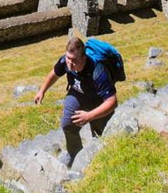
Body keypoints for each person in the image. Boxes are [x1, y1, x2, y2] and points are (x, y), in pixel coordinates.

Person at [33, 36, 118, 167]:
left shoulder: (98, 71)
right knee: (67, 125)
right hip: (77, 94)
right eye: (68, 58)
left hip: (99, 102)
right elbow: (54, 73)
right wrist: (42, 91)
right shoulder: (65, 61)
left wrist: (89, 116)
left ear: (84, 58)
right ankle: (75, 154)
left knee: (102, 135)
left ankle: (102, 161)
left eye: (74, 60)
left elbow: (112, 102)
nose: (70, 63)